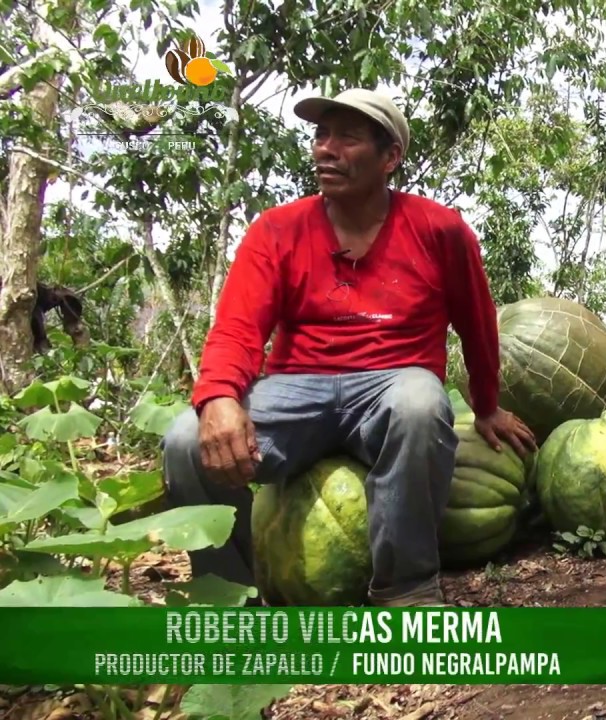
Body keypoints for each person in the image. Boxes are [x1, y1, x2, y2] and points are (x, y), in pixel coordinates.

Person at [161, 88, 537, 608]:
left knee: (420, 403)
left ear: (390, 157)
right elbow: (236, 329)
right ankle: (234, 598)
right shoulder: (277, 230)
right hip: (296, 390)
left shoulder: (439, 229)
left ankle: (405, 591)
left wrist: (487, 405)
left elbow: (477, 322)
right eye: (321, 136)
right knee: (184, 440)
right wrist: (220, 397)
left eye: (348, 138)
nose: (325, 149)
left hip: (392, 384)